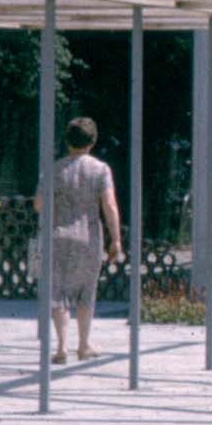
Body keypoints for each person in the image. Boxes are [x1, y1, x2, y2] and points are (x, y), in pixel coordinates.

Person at [43, 116, 123, 362]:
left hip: (59, 235)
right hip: (89, 236)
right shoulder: (100, 170)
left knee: (58, 292)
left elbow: (39, 204)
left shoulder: (54, 169)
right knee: (86, 291)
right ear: (93, 141)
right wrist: (116, 239)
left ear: (68, 141)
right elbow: (109, 204)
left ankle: (61, 347)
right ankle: (84, 344)